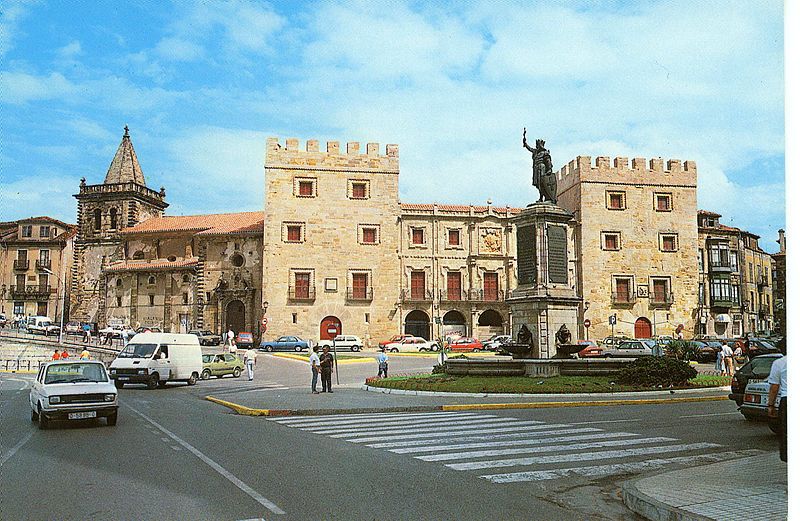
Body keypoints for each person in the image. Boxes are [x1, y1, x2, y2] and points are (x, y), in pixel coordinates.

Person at [767, 339, 787, 462]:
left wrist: (771, 405)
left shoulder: (779, 363)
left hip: (787, 401)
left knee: (787, 433)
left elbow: (774, 387)